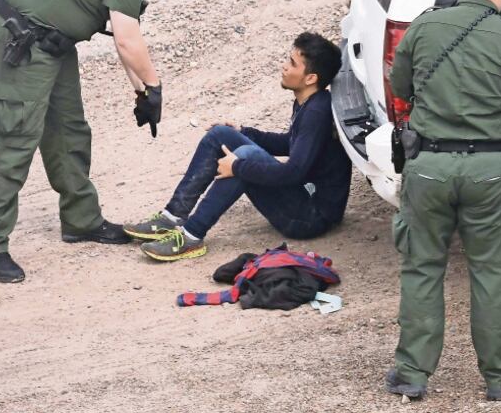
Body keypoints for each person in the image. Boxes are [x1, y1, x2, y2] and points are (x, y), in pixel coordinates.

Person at [0, 0, 195, 283]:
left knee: (68, 130)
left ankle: (81, 221)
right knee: (12, 140)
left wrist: (141, 92)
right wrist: (155, 86)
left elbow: (126, 39)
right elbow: (127, 38)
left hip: (52, 41)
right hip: (22, 40)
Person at [384, 0, 501, 402]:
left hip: (429, 168)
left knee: (421, 270)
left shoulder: (422, 27)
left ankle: (412, 375)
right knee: (493, 272)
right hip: (489, 172)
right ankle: (499, 378)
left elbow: (400, 89)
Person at [125, 32, 351, 261]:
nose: (284, 66)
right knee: (220, 135)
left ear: (310, 78)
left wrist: (238, 167)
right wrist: (243, 132)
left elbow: (294, 171)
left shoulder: (316, 112)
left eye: (292, 63)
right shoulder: (310, 101)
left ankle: (191, 236)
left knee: (245, 156)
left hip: (311, 217)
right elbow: (290, 143)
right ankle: (171, 218)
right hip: (302, 198)